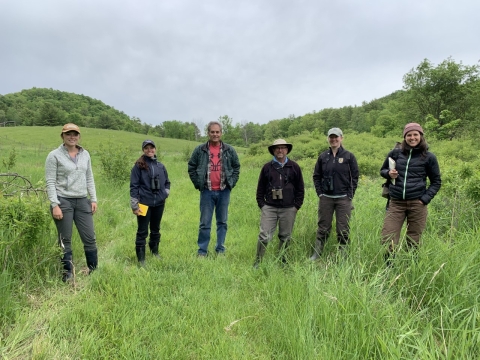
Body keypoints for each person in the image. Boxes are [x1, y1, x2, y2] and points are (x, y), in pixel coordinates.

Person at [380, 123, 441, 263]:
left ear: (420, 136)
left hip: (417, 204)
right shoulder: (395, 153)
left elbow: (436, 182)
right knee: (388, 236)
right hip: (396, 203)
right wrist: (389, 173)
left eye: (415, 135)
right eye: (409, 135)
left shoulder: (429, 157)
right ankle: (389, 268)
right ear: (404, 137)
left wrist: (424, 199)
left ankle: (410, 267)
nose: (412, 138)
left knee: (413, 238)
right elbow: (382, 171)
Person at [45, 123, 98, 282]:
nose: (72, 137)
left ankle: (93, 270)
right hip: (63, 201)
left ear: (79, 136)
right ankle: (67, 273)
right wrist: (55, 204)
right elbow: (50, 181)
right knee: (65, 238)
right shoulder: (54, 155)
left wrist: (93, 198)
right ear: (62, 136)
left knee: (89, 237)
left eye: (75, 134)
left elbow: (89, 177)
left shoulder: (85, 154)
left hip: (82, 201)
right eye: (68, 134)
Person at [187, 121, 240, 257]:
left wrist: (231, 183)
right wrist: (198, 183)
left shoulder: (229, 150)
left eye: (217, 132)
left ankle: (220, 249)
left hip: (224, 191)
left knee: (222, 222)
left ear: (221, 133)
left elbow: (236, 167)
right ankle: (202, 251)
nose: (215, 134)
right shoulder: (200, 150)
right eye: (212, 132)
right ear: (208, 133)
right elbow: (191, 166)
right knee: (205, 223)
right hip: (207, 191)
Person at [253, 139, 305, 267]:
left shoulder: (294, 167)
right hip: (269, 208)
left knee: (285, 237)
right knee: (264, 236)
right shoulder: (267, 167)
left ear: (287, 150)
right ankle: (258, 262)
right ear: (273, 151)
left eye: (283, 148)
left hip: (289, 208)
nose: (280, 150)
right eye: (277, 148)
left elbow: (300, 188)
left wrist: (296, 206)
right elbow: (260, 189)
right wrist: (262, 205)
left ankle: (283, 261)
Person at [310, 127, 359, 260]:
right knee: (323, 227)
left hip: (344, 199)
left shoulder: (349, 156)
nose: (333, 139)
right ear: (328, 139)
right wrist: (320, 193)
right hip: (326, 198)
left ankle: (343, 255)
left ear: (341, 138)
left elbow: (355, 177)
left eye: (336, 137)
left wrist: (350, 195)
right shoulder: (323, 157)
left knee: (343, 228)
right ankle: (317, 253)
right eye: (331, 137)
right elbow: (316, 176)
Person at [130, 140, 170, 266]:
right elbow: (134, 186)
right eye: (146, 148)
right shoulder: (138, 166)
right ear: (143, 150)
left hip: (159, 203)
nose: (149, 150)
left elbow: (167, 182)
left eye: (151, 148)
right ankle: (141, 259)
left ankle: (155, 252)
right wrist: (134, 204)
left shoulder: (160, 166)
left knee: (156, 229)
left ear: (155, 149)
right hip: (144, 204)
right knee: (142, 231)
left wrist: (165, 193)